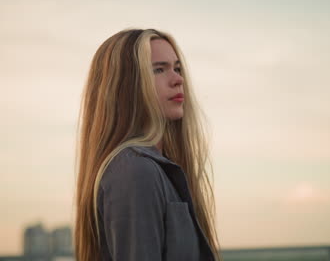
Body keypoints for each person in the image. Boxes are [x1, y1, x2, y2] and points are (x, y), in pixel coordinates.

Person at [74, 28, 220, 261]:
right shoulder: (134, 171)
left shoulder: (154, 169)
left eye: (177, 68)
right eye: (158, 69)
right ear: (125, 85)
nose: (178, 79)